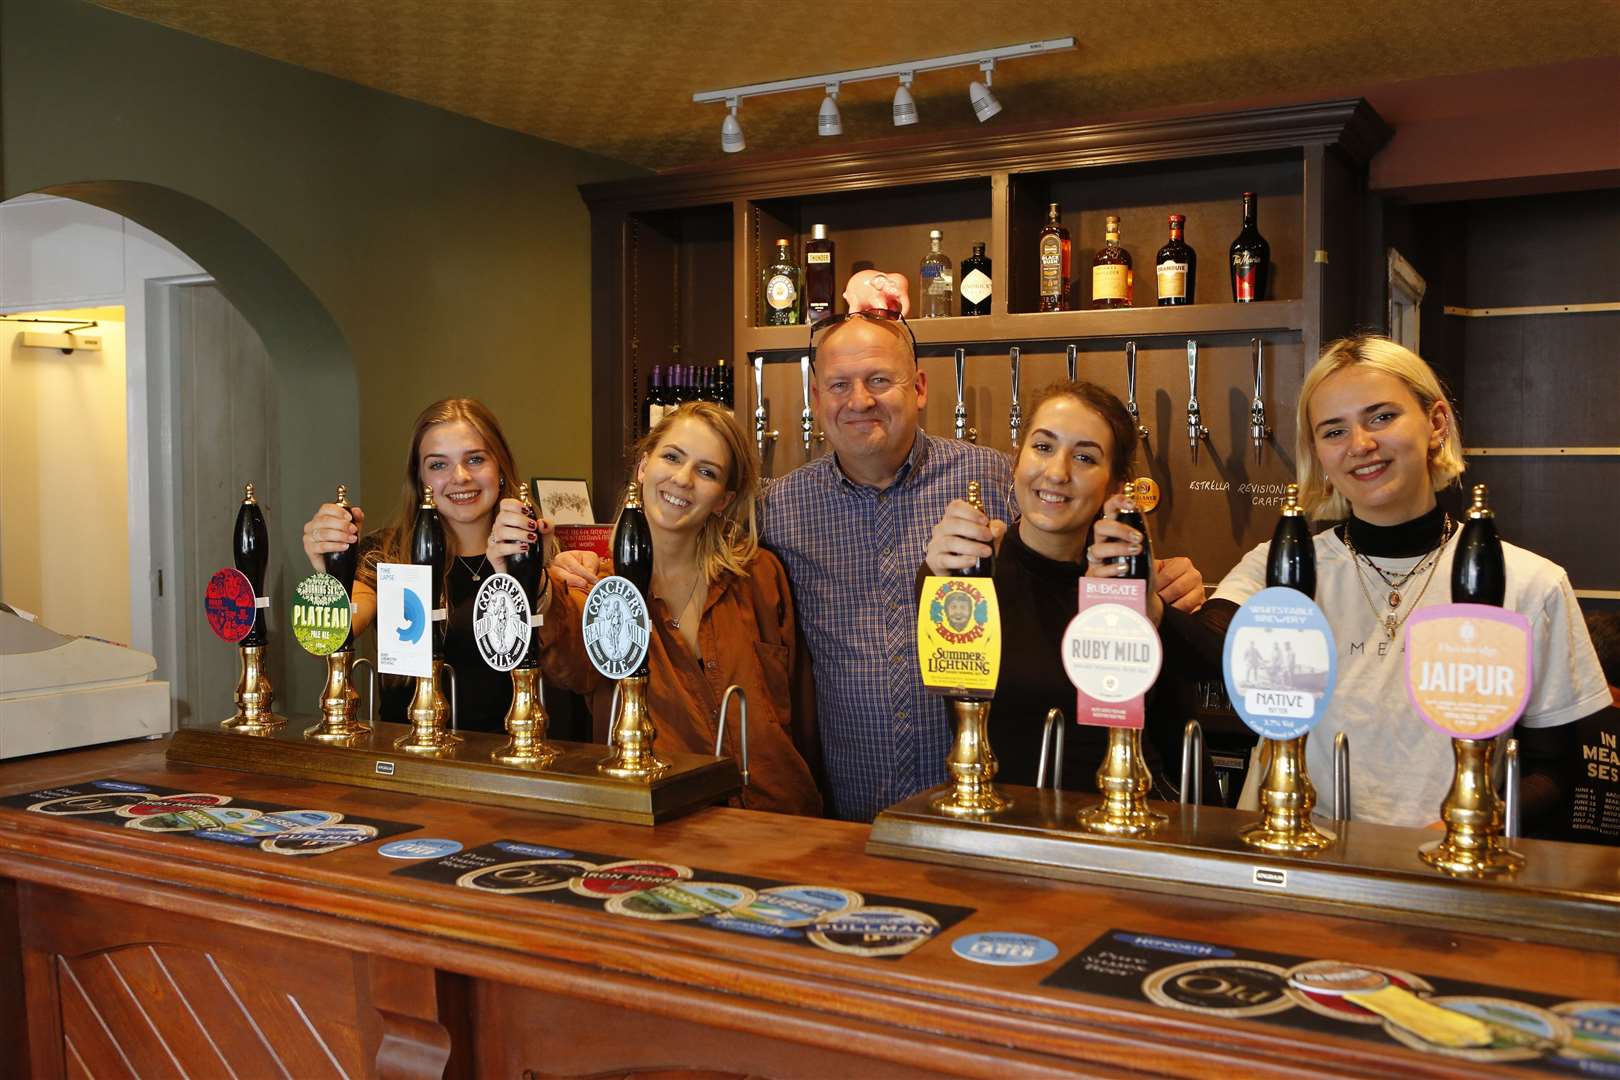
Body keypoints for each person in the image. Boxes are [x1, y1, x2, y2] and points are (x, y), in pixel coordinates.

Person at [556, 271, 1202, 821]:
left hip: (989, 796)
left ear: (918, 388)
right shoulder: (779, 508)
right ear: (816, 398)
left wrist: (1168, 583)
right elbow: (688, 540)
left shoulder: (1003, 482)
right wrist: (593, 562)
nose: (858, 400)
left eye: (879, 382)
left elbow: (1101, 553)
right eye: (838, 385)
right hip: (841, 812)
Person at [1205, 336, 1611, 832]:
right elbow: (1207, 647)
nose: (1361, 445)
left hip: (1446, 875)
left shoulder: (1531, 583)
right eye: (1334, 431)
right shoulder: (1282, 566)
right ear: (1319, 453)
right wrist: (1150, 606)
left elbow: (1556, 767)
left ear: (1436, 423)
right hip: (1298, 859)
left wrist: (1464, 826)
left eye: (1381, 417)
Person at [922, 380, 1214, 795]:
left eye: (1083, 457)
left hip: (1124, 828)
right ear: (1016, 460)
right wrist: (938, 579)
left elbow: (1211, 674)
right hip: (1002, 827)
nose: (1057, 472)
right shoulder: (967, 573)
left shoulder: (1132, 584)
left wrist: (1155, 614)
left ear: (1114, 485)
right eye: (1043, 447)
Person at [534, 401, 823, 816]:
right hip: (665, 825)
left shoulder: (759, 576)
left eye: (707, 472)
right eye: (672, 457)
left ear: (723, 499)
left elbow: (802, 712)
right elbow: (567, 658)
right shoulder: (601, 589)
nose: (683, 479)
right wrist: (539, 579)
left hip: (779, 823)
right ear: (643, 467)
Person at [299, 397, 544, 733]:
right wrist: (328, 578)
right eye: (438, 465)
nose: (460, 477)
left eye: (475, 459)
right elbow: (331, 636)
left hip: (512, 766)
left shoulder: (534, 553)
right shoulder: (386, 553)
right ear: (419, 479)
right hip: (410, 763)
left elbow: (573, 669)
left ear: (500, 468)